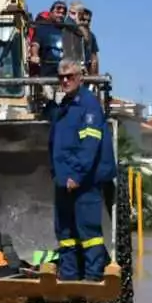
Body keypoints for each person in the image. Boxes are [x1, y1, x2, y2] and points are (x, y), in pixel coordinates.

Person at [46, 59, 113, 278]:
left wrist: (76, 175)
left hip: (83, 183)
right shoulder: (64, 107)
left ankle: (93, 282)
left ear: (80, 78)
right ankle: (69, 279)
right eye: (61, 77)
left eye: (70, 76)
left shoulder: (89, 105)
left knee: (89, 233)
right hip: (63, 181)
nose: (65, 81)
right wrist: (56, 173)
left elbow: (89, 146)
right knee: (65, 234)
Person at [29, 0, 70, 77]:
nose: (61, 15)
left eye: (63, 13)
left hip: (65, 77)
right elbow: (35, 44)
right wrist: (34, 55)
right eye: (58, 12)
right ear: (50, 13)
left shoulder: (68, 31)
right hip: (47, 77)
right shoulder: (42, 28)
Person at [71, 4, 100, 75]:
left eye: (88, 21)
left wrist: (94, 77)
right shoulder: (69, 33)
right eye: (83, 20)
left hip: (86, 75)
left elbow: (94, 58)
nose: (86, 23)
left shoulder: (92, 36)